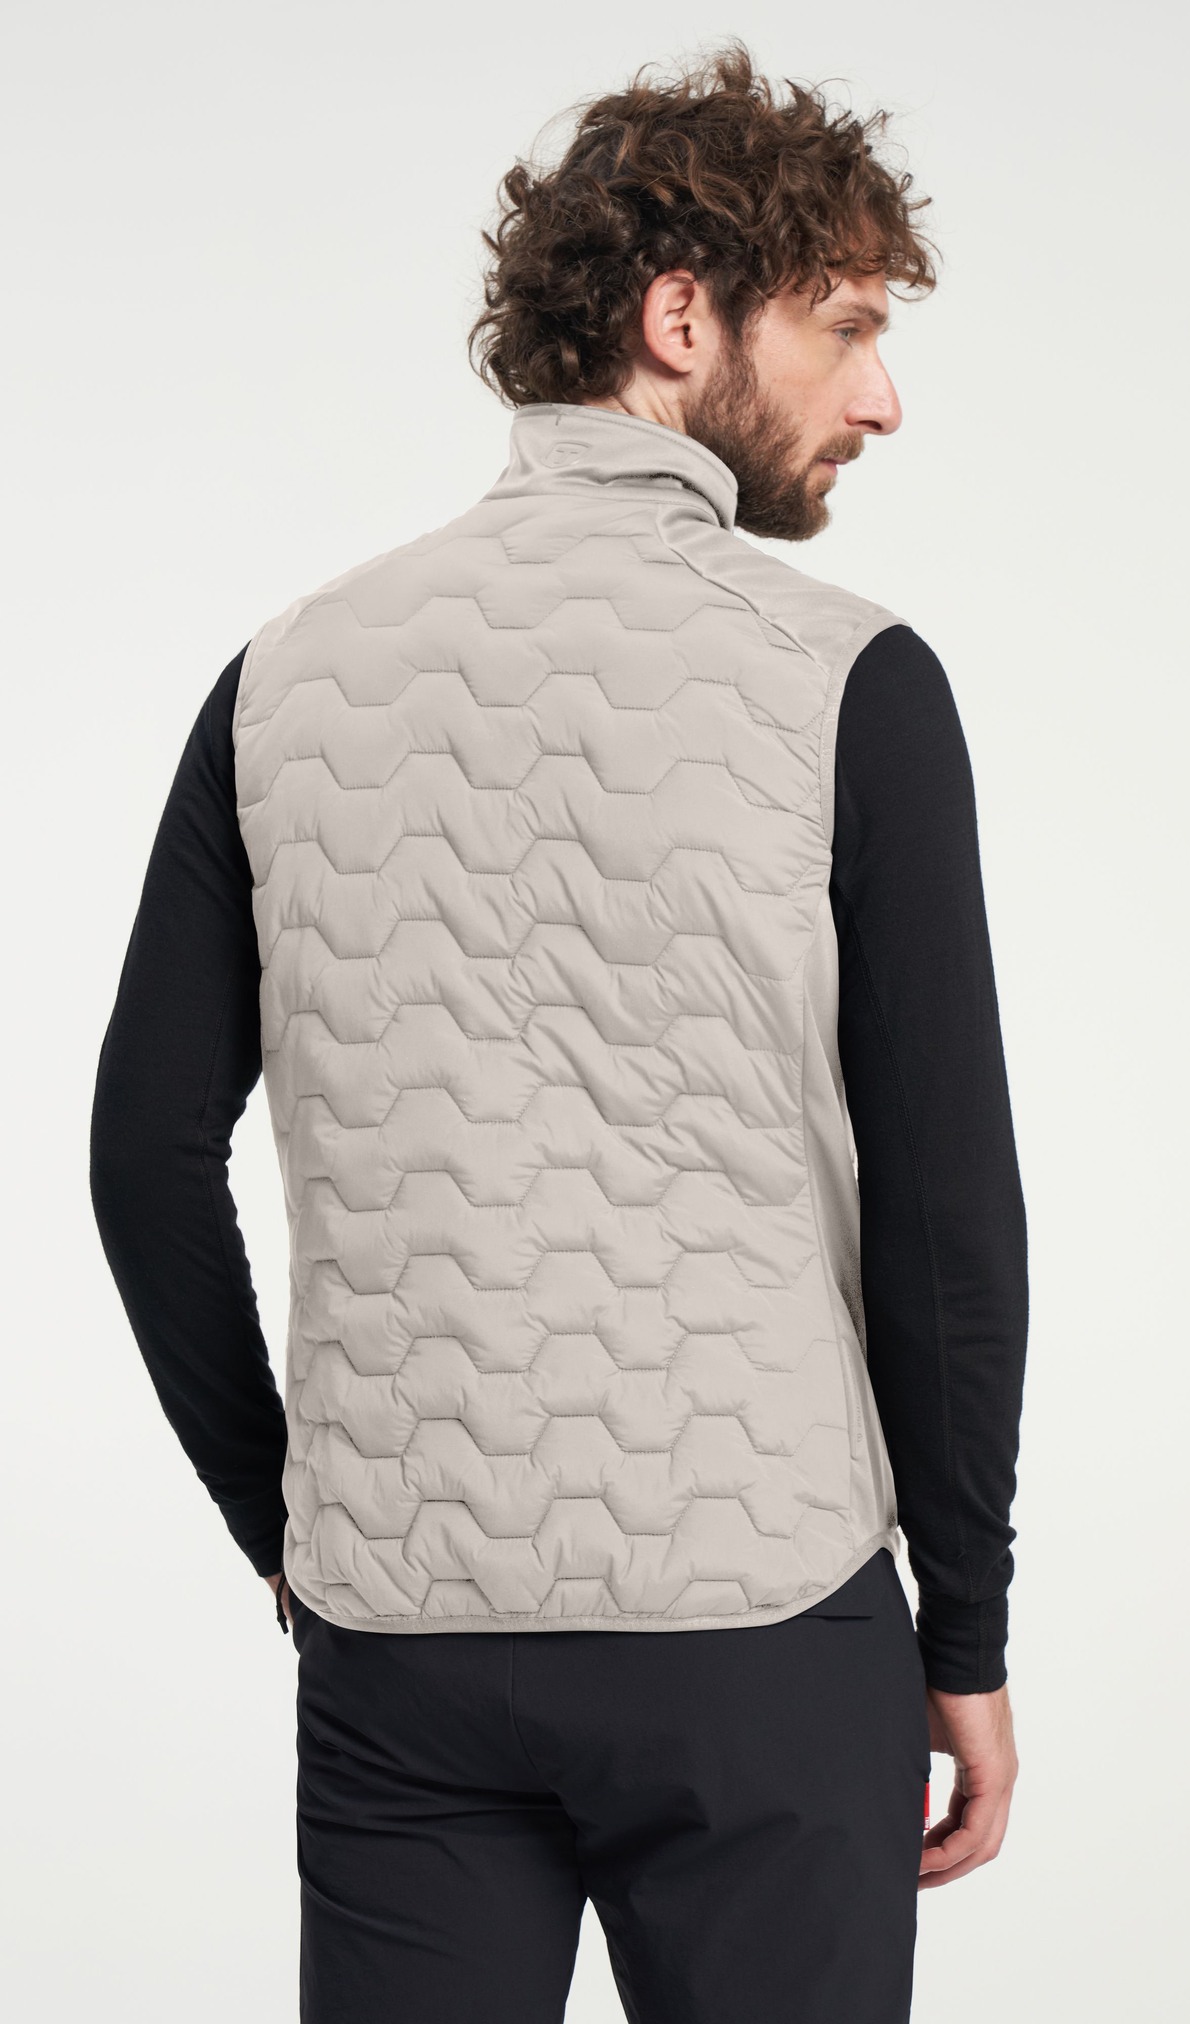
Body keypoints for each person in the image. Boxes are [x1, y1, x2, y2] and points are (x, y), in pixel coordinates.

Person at [89, 42, 1028, 2024]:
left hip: (402, 1652)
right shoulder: (849, 679)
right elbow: (948, 1217)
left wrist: (294, 1524)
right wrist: (966, 1629)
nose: (881, 397)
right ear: (683, 318)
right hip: (761, 1635)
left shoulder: (280, 679)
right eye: (848, 326)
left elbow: (142, 1154)